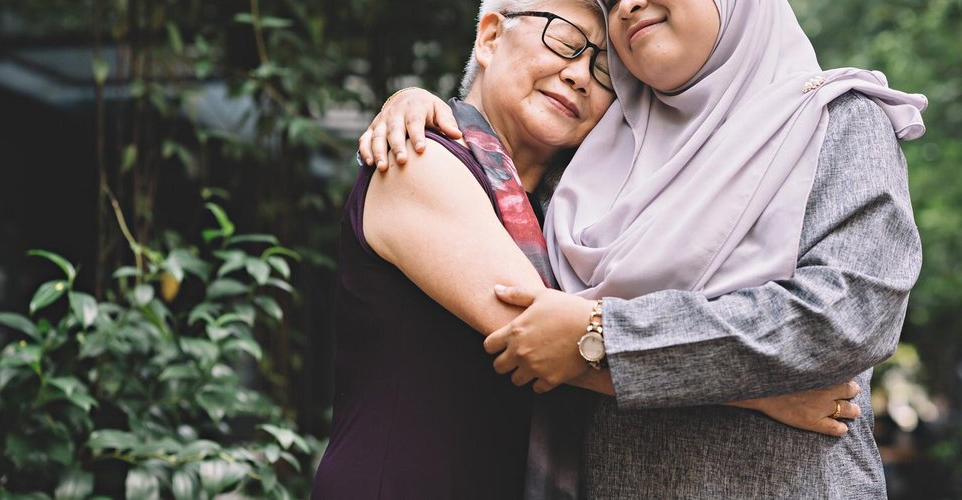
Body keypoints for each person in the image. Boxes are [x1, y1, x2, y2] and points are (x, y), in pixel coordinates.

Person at [358, 0, 927, 497]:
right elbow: (536, 321)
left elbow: (850, 315)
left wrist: (609, 337)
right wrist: (762, 393)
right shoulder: (605, 160)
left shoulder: (840, 120)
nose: (628, 4)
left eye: (601, 66)